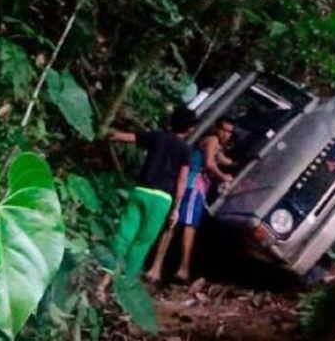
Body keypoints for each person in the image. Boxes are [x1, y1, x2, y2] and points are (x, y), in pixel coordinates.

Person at [100, 107, 196, 293]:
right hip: (161, 200)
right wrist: (176, 208)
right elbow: (182, 181)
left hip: (140, 191)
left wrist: (104, 132)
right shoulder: (185, 150)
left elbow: (122, 137)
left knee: (123, 235)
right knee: (142, 243)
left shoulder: (156, 137)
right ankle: (123, 288)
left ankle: (104, 278)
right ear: (190, 128)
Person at [174, 118, 236, 283]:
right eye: (224, 129)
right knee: (189, 226)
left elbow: (225, 161)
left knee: (184, 224)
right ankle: (183, 268)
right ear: (216, 128)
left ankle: (180, 267)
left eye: (230, 132)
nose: (226, 134)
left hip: (196, 187)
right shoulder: (212, 140)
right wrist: (224, 177)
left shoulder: (216, 144)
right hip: (193, 185)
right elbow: (209, 164)